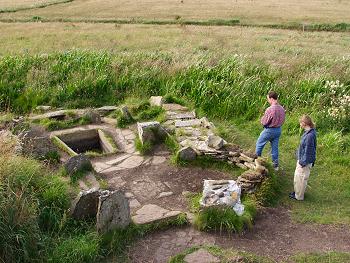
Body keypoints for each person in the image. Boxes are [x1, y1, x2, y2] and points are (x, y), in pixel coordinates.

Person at [256, 91, 285, 171]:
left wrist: (261, 120)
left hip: (269, 130)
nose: (268, 100)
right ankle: (275, 166)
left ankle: (256, 161)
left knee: (259, 144)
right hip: (278, 130)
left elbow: (265, 121)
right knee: (274, 148)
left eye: (268, 98)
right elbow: (283, 120)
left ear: (271, 98)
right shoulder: (282, 108)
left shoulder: (270, 109)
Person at [289, 115, 317, 201]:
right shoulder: (309, 132)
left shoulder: (309, 136)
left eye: (301, 123)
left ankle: (299, 196)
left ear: (304, 123)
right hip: (302, 159)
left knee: (300, 178)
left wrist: (303, 162)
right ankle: (297, 192)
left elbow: (308, 151)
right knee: (298, 178)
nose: (300, 124)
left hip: (304, 161)